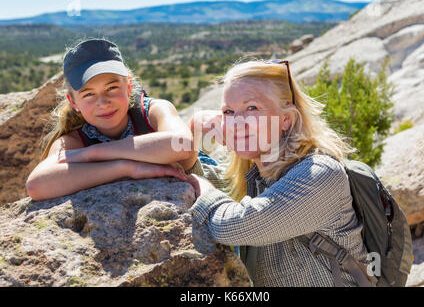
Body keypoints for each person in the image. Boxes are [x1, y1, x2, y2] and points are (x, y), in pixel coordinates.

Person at [185, 60, 372, 287]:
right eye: (229, 112)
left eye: (252, 108)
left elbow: (230, 226)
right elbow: (188, 177)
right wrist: (192, 128)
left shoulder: (319, 174)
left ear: (286, 119)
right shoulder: (256, 175)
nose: (236, 123)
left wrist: (204, 190)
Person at [26, 39, 200, 201]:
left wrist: (93, 154)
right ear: (73, 102)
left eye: (111, 88)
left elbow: (182, 144)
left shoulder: (152, 111)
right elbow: (37, 186)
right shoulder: (73, 140)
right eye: (88, 94)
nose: (103, 103)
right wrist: (127, 168)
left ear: (129, 87)